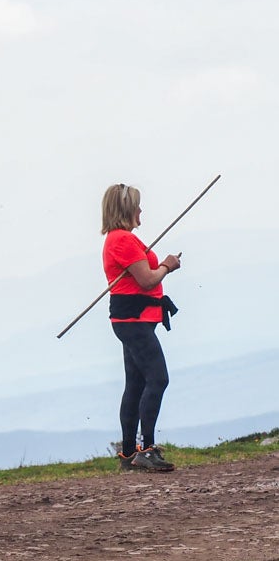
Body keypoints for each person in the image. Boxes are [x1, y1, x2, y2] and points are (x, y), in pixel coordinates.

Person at [101, 183, 181, 473]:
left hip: (133, 321)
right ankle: (146, 449)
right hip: (134, 323)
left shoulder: (120, 239)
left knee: (135, 384)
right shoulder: (122, 240)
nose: (140, 210)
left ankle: (127, 454)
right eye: (137, 205)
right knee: (158, 379)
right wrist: (168, 265)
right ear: (126, 209)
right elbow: (147, 280)